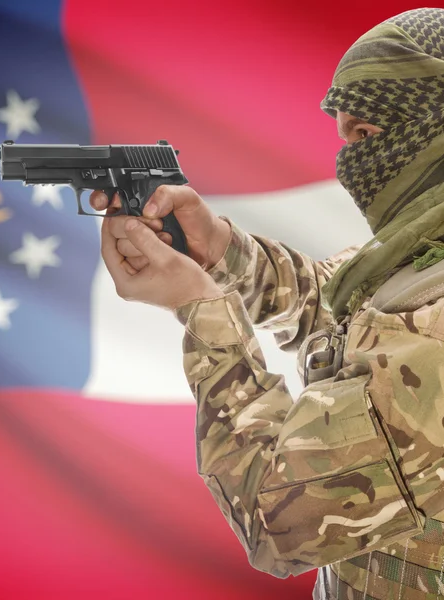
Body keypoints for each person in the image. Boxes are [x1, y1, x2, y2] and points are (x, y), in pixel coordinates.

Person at [90, 8, 444, 599]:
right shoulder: (422, 254)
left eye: (366, 135)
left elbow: (278, 521)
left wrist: (202, 309)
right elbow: (343, 310)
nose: (351, 160)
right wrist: (221, 250)